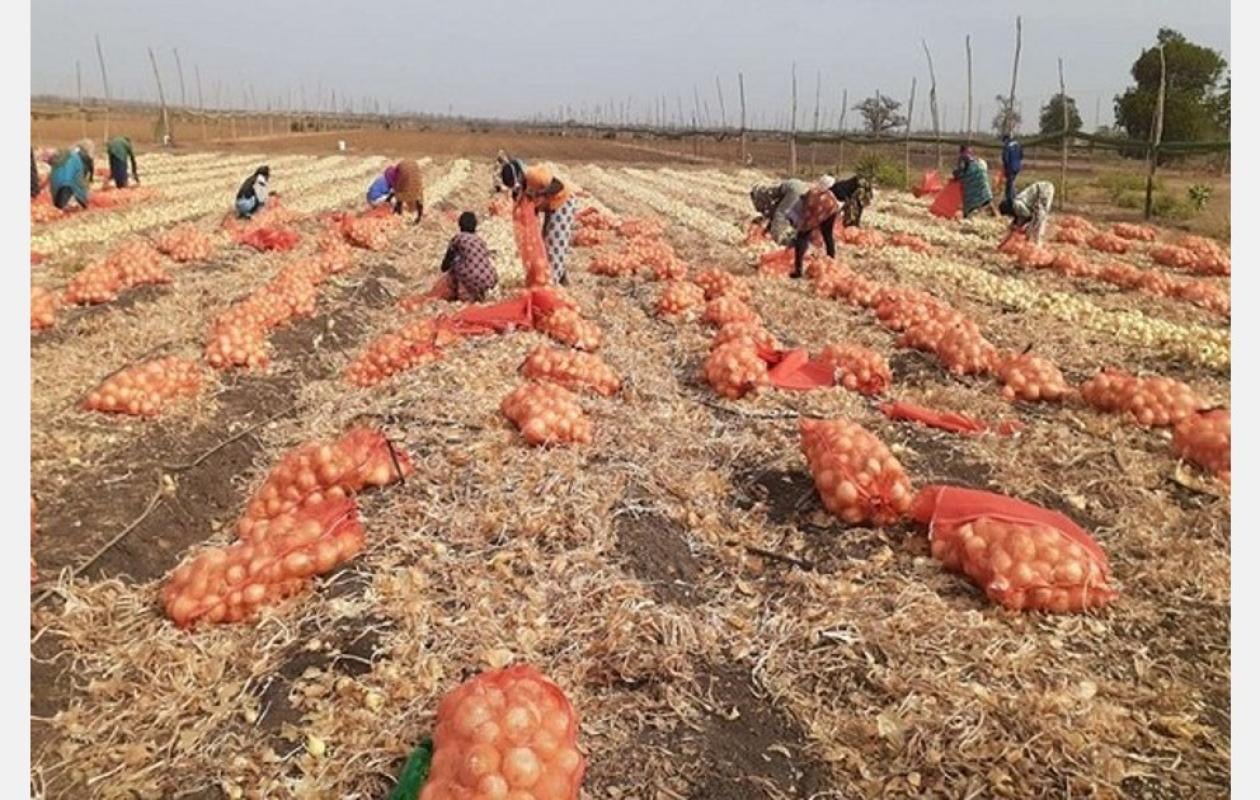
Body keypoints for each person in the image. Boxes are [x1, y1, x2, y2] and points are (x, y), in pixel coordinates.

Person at [498, 155, 577, 285]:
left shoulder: (534, 176)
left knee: (554, 242)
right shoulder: (523, 183)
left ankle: (552, 284)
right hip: (550, 206)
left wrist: (540, 193)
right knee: (545, 240)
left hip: (563, 203)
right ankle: (559, 277)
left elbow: (558, 186)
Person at [751, 176, 840, 279]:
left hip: (822, 209)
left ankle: (798, 272)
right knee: (827, 235)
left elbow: (797, 221)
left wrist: (792, 236)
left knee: (801, 239)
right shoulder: (810, 194)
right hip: (832, 209)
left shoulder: (806, 203)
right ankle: (831, 262)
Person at [440, 212, 498, 302]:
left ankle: (464, 297)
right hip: (490, 278)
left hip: (472, 277)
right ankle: (479, 295)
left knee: (455, 266)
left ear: (460, 225)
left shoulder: (458, 238)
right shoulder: (480, 240)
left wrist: (445, 268)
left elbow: (446, 263)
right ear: (475, 226)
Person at [1000, 180, 1055, 245]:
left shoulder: (1017, 206)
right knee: (1036, 220)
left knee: (1040, 217)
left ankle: (1037, 244)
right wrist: (1002, 244)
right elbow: (1014, 227)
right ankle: (1035, 242)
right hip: (1041, 189)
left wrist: (1023, 227)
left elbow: (1028, 216)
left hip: (1044, 190)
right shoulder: (1017, 206)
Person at [48, 139, 95, 210]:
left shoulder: (68, 154)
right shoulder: (82, 156)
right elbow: (84, 175)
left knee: (61, 205)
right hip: (69, 185)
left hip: (60, 186)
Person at [953, 145, 997, 218]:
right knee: (987, 198)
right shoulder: (977, 159)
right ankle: (996, 215)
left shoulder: (962, 158)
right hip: (982, 181)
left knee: (969, 201)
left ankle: (967, 215)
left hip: (973, 180)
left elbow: (961, 172)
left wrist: (956, 176)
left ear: (961, 151)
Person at [1001, 133, 1023, 206]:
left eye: (1004, 141)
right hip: (1017, 167)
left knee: (1010, 184)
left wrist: (1006, 168)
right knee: (1012, 182)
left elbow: (1005, 159)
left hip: (1010, 167)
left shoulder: (1007, 146)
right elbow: (1021, 156)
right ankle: (1013, 198)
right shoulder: (1018, 145)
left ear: (1006, 139)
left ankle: (1011, 201)